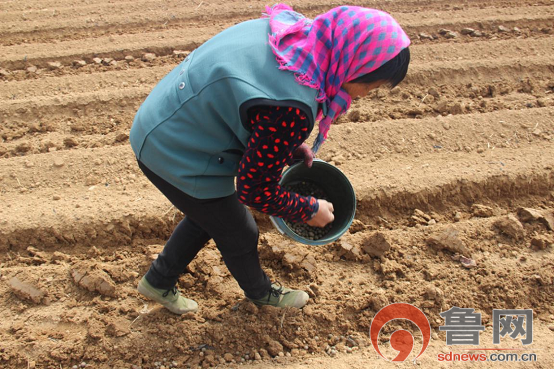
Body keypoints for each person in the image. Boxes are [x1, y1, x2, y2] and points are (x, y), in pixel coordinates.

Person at [129, 4, 410, 314]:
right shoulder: (291, 110)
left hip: (167, 113)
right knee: (239, 230)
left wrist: (286, 145)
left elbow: (253, 100)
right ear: (353, 64)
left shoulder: (290, 34)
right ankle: (262, 294)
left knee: (211, 214)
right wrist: (308, 209)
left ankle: (158, 280)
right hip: (173, 150)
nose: (366, 94)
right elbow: (254, 189)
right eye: (371, 84)